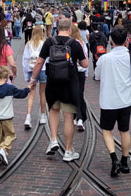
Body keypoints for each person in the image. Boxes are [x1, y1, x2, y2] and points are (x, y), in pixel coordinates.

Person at [28, 18, 88, 163]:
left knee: (53, 111)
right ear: (69, 30)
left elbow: (39, 62)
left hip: (53, 83)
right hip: (69, 84)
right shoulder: (74, 44)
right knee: (68, 116)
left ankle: (53, 140)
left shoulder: (49, 42)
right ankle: (68, 151)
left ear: (57, 28)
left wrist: (33, 80)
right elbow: (84, 64)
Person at [95, 27, 131, 177]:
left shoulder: (104, 58)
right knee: (124, 131)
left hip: (108, 101)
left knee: (107, 130)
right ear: (126, 40)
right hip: (125, 100)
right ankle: (125, 162)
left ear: (111, 40)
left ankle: (114, 159)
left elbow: (97, 76)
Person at [0, 66, 30, 166]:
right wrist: (28, 89)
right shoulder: (10, 88)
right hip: (7, 118)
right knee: (10, 135)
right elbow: (21, 94)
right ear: (7, 75)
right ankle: (3, 149)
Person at [22, 24, 47, 130]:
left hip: (32, 70)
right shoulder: (44, 43)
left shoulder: (28, 44)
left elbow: (25, 59)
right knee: (42, 93)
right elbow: (48, 58)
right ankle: (42, 115)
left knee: (31, 94)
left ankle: (28, 117)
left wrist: (26, 75)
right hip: (42, 69)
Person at [71, 24, 88, 132]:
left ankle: (78, 116)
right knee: (80, 94)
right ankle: (81, 117)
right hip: (81, 71)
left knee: (72, 94)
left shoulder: (70, 43)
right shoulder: (82, 43)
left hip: (72, 71)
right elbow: (86, 58)